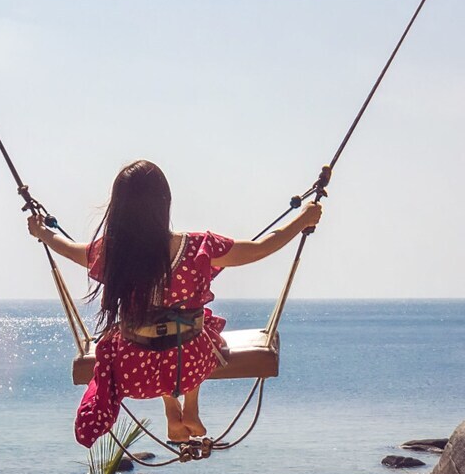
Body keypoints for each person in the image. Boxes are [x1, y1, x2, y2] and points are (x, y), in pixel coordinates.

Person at [29, 159, 321, 448]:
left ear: (118, 207)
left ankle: (172, 409)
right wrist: (303, 219)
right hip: (190, 365)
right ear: (165, 201)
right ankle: (189, 406)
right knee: (197, 326)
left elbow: (66, 248)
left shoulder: (111, 254)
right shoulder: (197, 248)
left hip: (136, 373)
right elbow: (260, 248)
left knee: (148, 334)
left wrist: (42, 232)